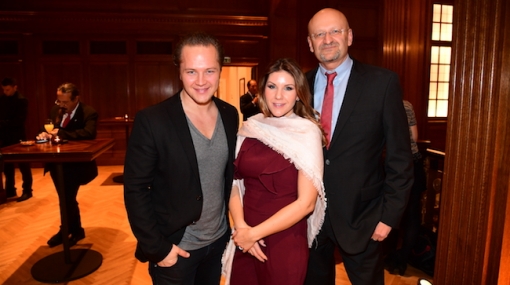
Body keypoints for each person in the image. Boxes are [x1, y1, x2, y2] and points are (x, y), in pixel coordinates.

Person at [303, 8, 414, 285]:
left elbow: (400, 158)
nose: (327, 39)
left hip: (363, 218)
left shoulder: (382, 83)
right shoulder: (297, 86)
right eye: (319, 34)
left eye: (335, 31)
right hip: (307, 218)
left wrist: (389, 218)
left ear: (349, 36)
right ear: (310, 43)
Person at [123, 32, 239, 285]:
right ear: (179, 71)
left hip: (218, 242)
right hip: (175, 249)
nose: (201, 81)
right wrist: (158, 249)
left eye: (209, 71)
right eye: (191, 71)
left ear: (221, 70)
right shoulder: (153, 120)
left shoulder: (230, 115)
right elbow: (135, 189)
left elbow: (228, 178)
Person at [222, 58, 327, 285]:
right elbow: (232, 183)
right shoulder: (250, 127)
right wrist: (242, 229)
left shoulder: (307, 132)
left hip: (284, 240)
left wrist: (254, 234)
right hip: (245, 236)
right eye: (272, 86)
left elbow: (306, 204)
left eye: (288, 88)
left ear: (298, 93)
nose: (278, 96)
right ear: (262, 90)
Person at [36, 83, 98, 247]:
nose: (61, 105)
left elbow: (88, 133)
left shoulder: (88, 112)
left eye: (65, 102)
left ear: (76, 99)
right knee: (65, 198)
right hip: (56, 162)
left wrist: (62, 133)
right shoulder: (55, 110)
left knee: (66, 198)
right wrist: (44, 133)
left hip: (76, 164)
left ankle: (68, 230)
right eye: (59, 101)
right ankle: (74, 230)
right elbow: (49, 128)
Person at [383, 100, 427, 275]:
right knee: (412, 214)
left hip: (390, 162)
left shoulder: (380, 103)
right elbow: (414, 137)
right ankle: (403, 258)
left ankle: (388, 255)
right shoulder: (407, 105)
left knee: (391, 211)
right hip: (412, 162)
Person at [0, 77, 33, 202]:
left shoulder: (21, 100)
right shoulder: (2, 100)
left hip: (18, 136)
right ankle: (9, 190)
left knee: (23, 165)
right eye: (4, 90)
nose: (5, 92)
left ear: (15, 87)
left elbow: (19, 121)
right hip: (4, 137)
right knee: (7, 166)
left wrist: (2, 123)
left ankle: (27, 190)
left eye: (8, 90)